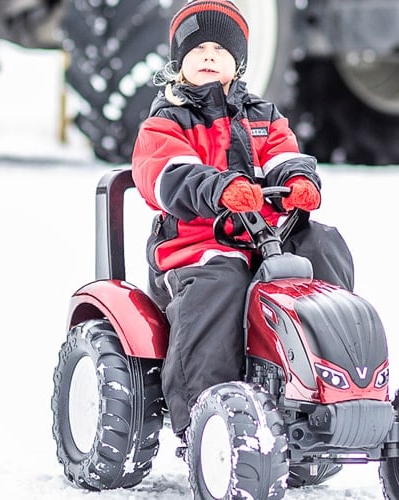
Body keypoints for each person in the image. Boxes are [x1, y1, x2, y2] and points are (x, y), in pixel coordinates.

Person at [128, 0, 356, 452]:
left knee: (324, 244)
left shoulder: (262, 116)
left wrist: (298, 180)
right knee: (224, 276)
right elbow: (165, 172)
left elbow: (284, 154)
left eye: (220, 48)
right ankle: (202, 409)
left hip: (268, 236)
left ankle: (335, 379)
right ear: (179, 62)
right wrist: (218, 189)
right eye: (198, 49)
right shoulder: (167, 120)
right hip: (198, 243)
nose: (209, 55)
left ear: (239, 62)